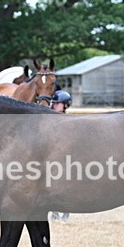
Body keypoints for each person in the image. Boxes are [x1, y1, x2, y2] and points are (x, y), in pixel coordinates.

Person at [50, 90, 72, 221]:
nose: (54, 106)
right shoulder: (50, 119)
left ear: (65, 105)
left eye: (58, 104)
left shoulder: (68, 120)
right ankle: (54, 212)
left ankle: (66, 212)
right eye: (54, 103)